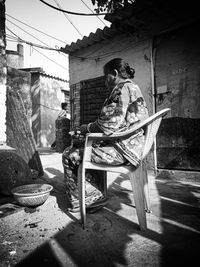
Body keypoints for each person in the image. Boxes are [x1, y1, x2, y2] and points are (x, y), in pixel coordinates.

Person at [62, 58, 149, 213]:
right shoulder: (134, 88)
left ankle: (87, 200)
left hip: (122, 152)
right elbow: (120, 124)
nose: (105, 81)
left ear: (114, 74)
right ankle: (95, 193)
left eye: (105, 77)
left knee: (69, 154)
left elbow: (109, 124)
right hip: (135, 147)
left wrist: (84, 128)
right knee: (90, 146)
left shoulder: (121, 89)